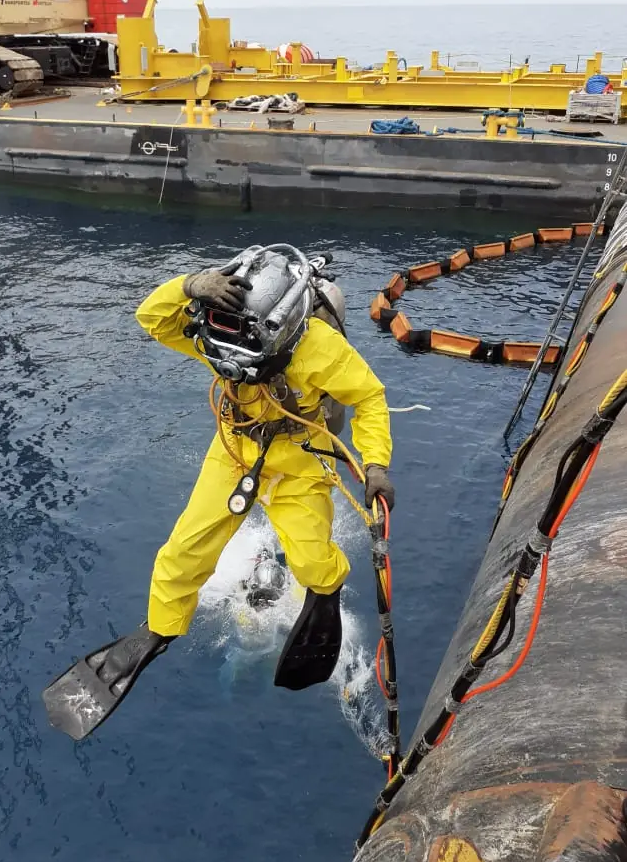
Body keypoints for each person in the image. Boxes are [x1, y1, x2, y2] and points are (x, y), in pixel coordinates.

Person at [43, 244, 394, 740]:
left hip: (298, 461)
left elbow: (369, 397)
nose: (229, 370)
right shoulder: (219, 325)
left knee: (314, 560)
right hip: (234, 451)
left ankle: (325, 592)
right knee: (184, 551)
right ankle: (158, 630)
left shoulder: (320, 349)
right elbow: (154, 318)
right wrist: (189, 284)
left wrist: (376, 464)